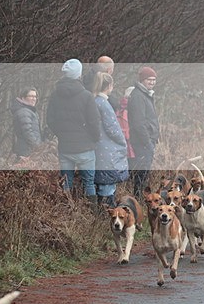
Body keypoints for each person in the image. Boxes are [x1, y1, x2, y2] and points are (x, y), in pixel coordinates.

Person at [46, 59, 101, 207]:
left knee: (66, 182)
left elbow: (50, 120)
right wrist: (95, 138)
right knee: (89, 183)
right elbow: (94, 122)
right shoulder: (87, 96)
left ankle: (66, 212)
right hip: (85, 147)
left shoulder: (55, 95)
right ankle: (92, 215)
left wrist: (61, 134)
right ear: (79, 74)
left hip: (65, 147)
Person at [92, 72, 129, 210]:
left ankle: (104, 211)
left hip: (98, 147)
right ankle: (106, 212)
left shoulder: (94, 101)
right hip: (107, 149)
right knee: (107, 183)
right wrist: (122, 141)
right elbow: (113, 128)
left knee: (103, 181)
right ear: (109, 86)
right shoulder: (104, 103)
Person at [127, 66, 160, 197]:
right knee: (141, 174)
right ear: (142, 80)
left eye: (154, 80)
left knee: (144, 173)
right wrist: (147, 142)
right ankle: (138, 199)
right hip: (142, 142)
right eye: (149, 80)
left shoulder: (146, 94)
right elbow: (138, 124)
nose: (152, 82)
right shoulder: (138, 96)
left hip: (147, 141)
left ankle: (141, 199)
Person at [11, 87, 42, 161]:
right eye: (31, 96)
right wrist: (37, 146)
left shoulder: (29, 111)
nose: (34, 99)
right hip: (26, 151)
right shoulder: (24, 112)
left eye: (35, 96)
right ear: (23, 98)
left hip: (28, 149)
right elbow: (27, 132)